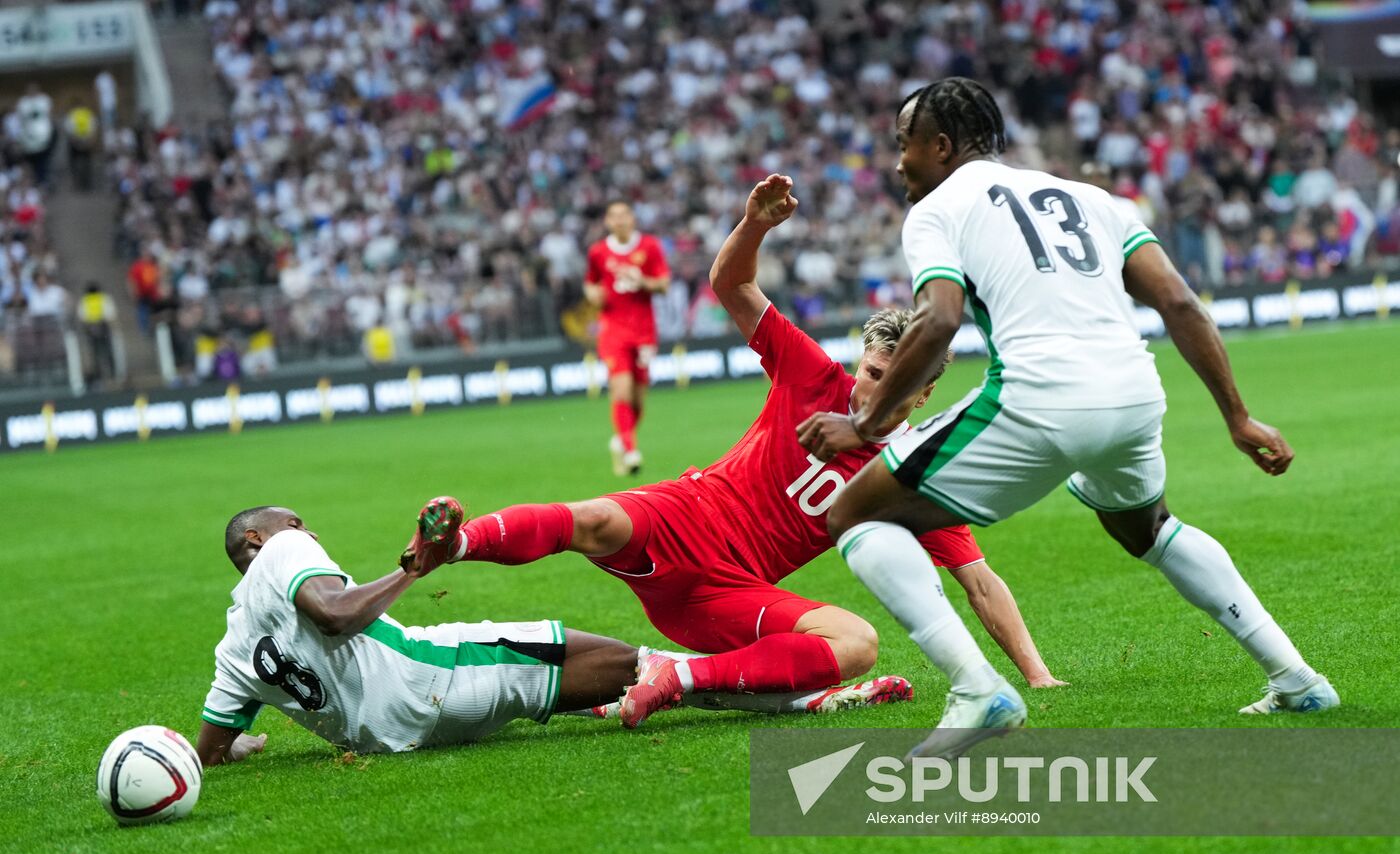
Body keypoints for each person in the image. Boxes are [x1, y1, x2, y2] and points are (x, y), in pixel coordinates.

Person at [796, 77, 1337, 759]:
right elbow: (1181, 304)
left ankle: (976, 689)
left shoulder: (937, 210)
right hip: (1134, 393)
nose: (898, 160)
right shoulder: (1094, 200)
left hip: (1038, 396)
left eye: (903, 144)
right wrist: (1238, 416)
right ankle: (1295, 676)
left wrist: (868, 424)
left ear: (940, 146)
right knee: (1150, 528)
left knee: (854, 514)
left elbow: (938, 317)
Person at [403, 174, 1062, 730]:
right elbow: (730, 285)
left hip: (725, 594)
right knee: (593, 520)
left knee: (856, 643)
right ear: (857, 364)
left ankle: (682, 676)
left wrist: (1037, 674)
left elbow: (978, 580)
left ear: (922, 394)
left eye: (895, 381)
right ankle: (456, 545)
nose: (872, 389)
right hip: (684, 512)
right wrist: (753, 224)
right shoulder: (811, 374)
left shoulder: (910, 476)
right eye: (869, 371)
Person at [196, 506, 642, 765]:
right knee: (630, 663)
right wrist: (413, 569)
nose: (307, 532)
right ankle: (703, 677)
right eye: (295, 523)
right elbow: (334, 614)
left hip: (382, 739)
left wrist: (239, 744)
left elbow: (210, 752)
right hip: (425, 679)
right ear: (257, 537)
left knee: (539, 675)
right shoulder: (282, 549)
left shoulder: (233, 646)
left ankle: (593, 702)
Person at [583, 200, 670, 476]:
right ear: (608, 222)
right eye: (614, 216)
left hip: (644, 331)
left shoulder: (650, 247)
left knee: (638, 401)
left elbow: (664, 285)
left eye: (624, 215)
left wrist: (642, 281)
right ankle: (631, 450)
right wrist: (593, 295)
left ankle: (620, 438)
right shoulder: (598, 252)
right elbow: (590, 283)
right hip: (612, 330)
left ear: (632, 219)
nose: (619, 220)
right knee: (620, 389)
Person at [78, 281, 117, 381]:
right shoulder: (103, 298)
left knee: (95, 353)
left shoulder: (85, 300)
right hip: (102, 326)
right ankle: (112, 372)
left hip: (92, 327)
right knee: (107, 351)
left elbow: (82, 316)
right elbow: (110, 314)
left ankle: (99, 373)